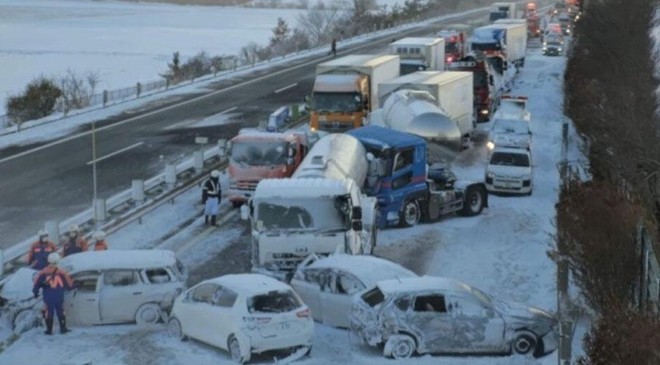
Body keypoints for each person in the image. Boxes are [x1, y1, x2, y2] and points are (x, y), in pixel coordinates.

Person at [32, 253, 74, 335]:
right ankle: (63, 328)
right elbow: (69, 285)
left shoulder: (42, 273)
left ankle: (49, 330)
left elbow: (36, 284)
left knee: (49, 312)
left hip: (48, 296)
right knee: (61, 311)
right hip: (59, 296)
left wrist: (35, 293)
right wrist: (75, 286)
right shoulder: (62, 273)